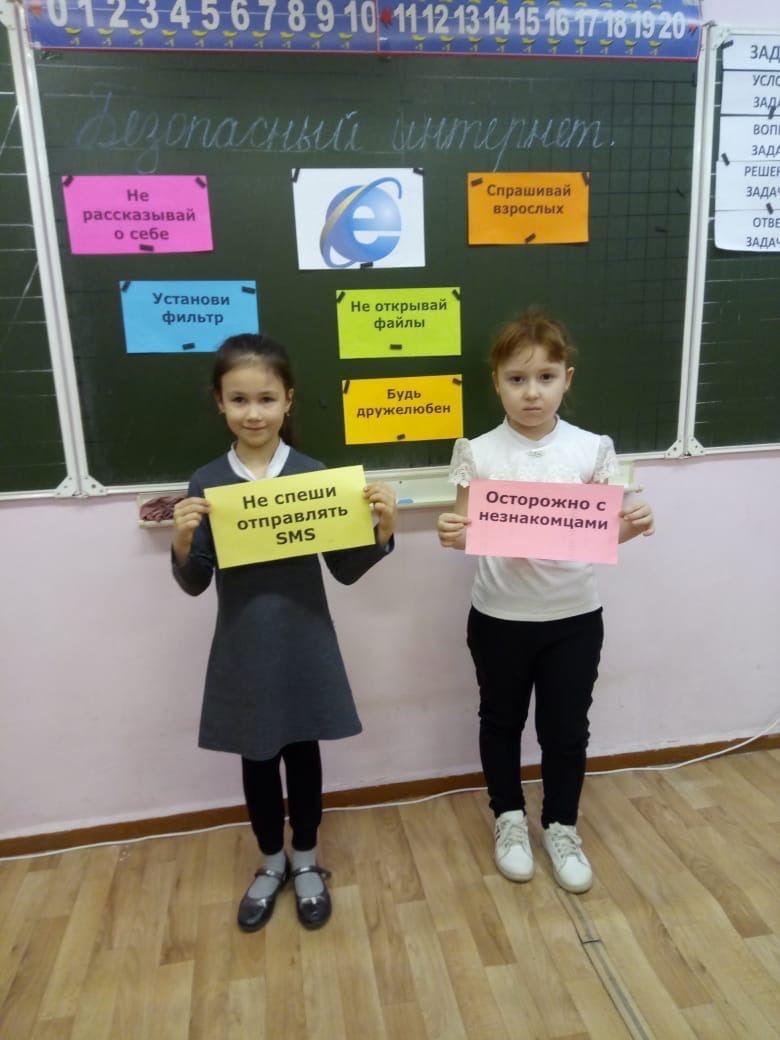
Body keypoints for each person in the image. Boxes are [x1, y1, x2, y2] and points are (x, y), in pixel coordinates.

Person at [171, 333, 397, 931]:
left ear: (288, 400)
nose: (254, 413)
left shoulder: (314, 476)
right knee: (257, 756)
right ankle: (270, 861)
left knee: (303, 751)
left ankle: (307, 860)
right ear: (219, 402)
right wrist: (183, 542)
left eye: (266, 399)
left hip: (304, 642)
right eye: (239, 399)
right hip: (244, 648)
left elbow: (344, 569)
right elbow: (195, 581)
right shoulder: (207, 482)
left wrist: (381, 531)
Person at [437, 310, 654, 894]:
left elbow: (603, 532)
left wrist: (634, 524)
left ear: (567, 379)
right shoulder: (478, 451)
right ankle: (509, 818)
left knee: (565, 730)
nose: (531, 392)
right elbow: (463, 527)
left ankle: (561, 825)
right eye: (516, 379)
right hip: (499, 617)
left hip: (573, 619)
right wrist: (451, 532)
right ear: (496, 382)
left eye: (545, 377)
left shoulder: (591, 449)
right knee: (500, 721)